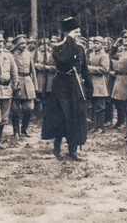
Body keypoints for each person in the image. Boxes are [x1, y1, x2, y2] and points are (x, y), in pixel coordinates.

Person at [41, 17, 93, 161]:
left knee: (75, 117)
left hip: (75, 86)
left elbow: (84, 70)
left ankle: (73, 150)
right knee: (60, 117)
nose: (78, 34)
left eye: (78, 32)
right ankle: (57, 146)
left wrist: (89, 89)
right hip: (61, 87)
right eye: (75, 32)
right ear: (68, 33)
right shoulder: (59, 48)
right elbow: (64, 58)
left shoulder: (79, 48)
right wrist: (69, 38)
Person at [10, 35, 37, 140]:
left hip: (27, 82)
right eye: (21, 44)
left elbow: (33, 70)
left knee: (28, 108)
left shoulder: (28, 54)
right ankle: (15, 131)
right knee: (15, 109)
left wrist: (35, 86)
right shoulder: (11, 55)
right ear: (17, 45)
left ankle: (24, 129)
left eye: (24, 43)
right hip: (16, 83)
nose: (24, 46)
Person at [87, 36, 110, 133]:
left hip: (99, 83)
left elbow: (104, 69)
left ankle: (100, 127)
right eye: (95, 43)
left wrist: (89, 68)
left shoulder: (104, 56)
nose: (95, 45)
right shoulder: (91, 55)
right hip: (91, 83)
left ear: (102, 45)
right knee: (92, 105)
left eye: (98, 43)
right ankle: (94, 125)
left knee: (100, 106)